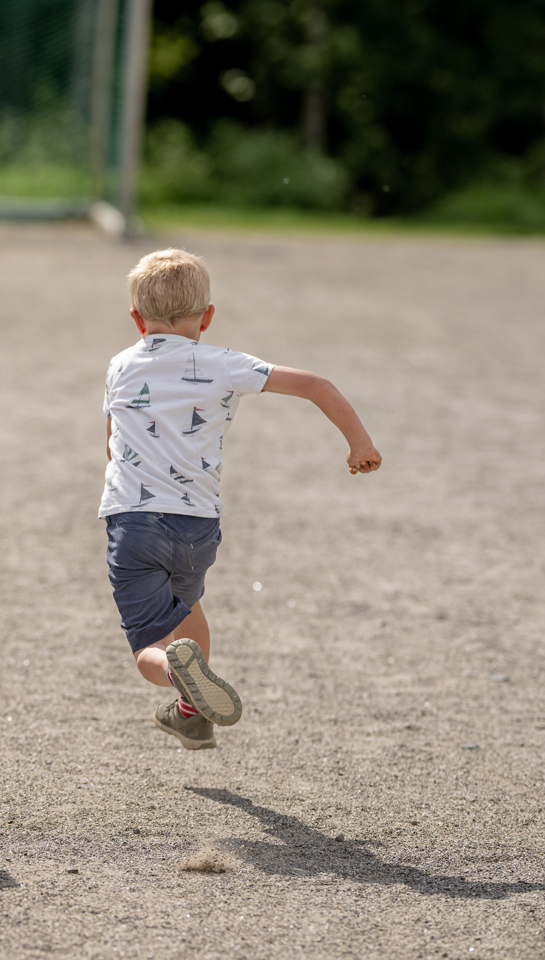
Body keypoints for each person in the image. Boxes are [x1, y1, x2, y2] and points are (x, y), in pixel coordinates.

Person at [102, 248, 380, 750]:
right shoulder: (224, 364)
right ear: (207, 317)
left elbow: (110, 442)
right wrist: (360, 445)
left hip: (135, 522)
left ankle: (174, 675)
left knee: (149, 644)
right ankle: (193, 714)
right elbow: (317, 385)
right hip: (196, 527)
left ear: (136, 319)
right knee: (189, 611)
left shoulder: (121, 365)